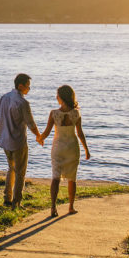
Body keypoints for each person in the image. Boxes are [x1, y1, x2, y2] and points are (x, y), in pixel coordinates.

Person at [38, 84, 90, 216]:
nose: (56, 97)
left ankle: (53, 208)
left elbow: (46, 132)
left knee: (55, 177)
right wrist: (86, 150)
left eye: (57, 96)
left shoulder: (54, 113)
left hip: (58, 148)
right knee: (72, 178)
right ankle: (71, 207)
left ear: (61, 98)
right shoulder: (76, 113)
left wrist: (39, 138)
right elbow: (80, 134)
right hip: (72, 148)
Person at [0, 73, 42, 207]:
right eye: (28, 87)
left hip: (5, 140)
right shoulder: (23, 102)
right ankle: (16, 202)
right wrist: (39, 136)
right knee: (20, 172)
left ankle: (7, 198)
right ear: (20, 86)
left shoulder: (4, 98)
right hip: (18, 141)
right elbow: (31, 124)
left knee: (11, 169)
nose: (29, 89)